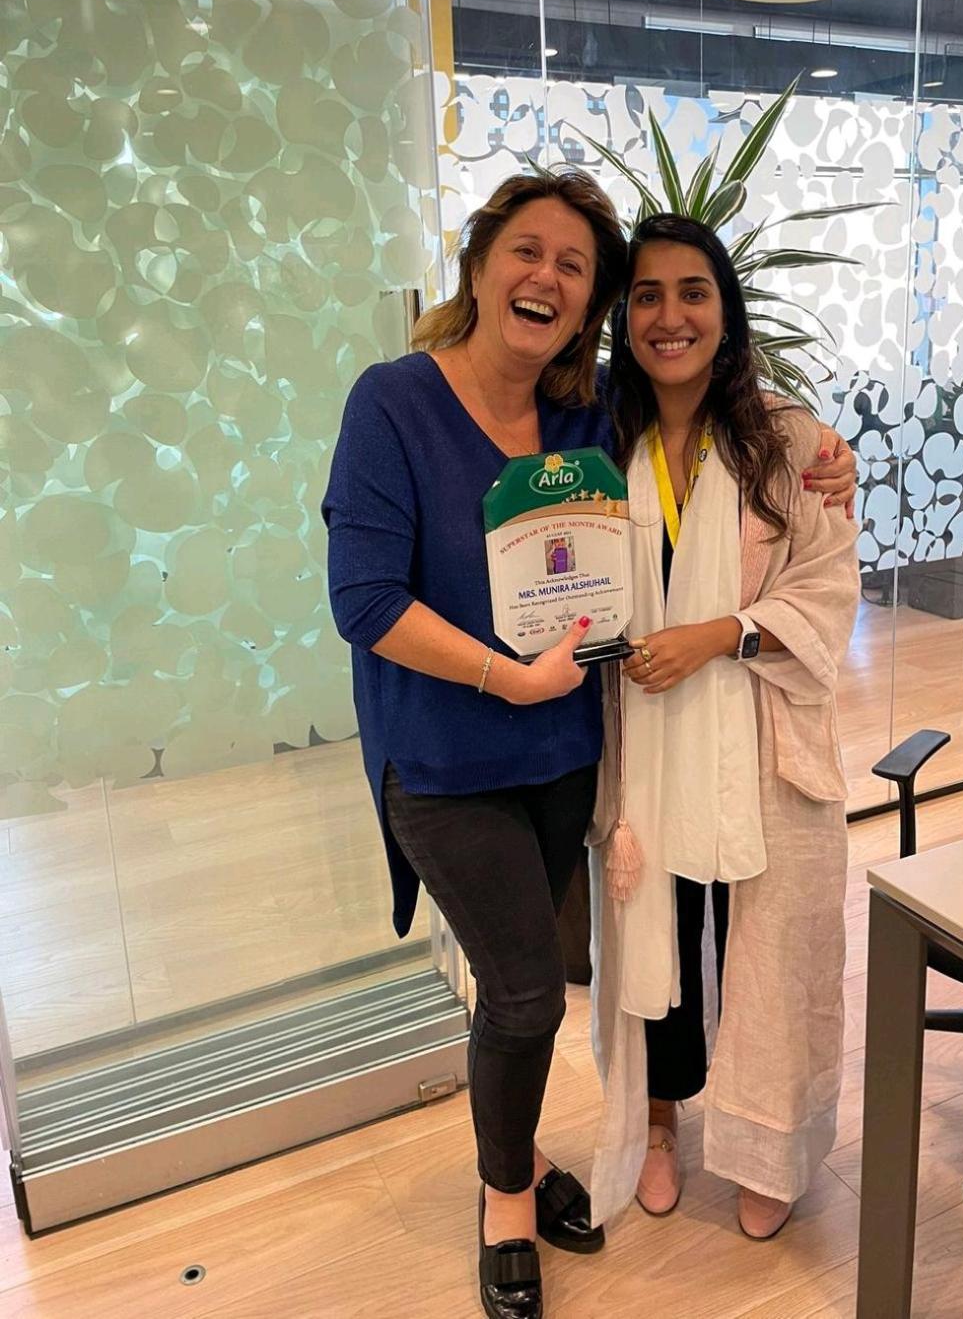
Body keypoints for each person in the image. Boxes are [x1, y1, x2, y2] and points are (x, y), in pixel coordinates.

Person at [323, 171, 856, 1319]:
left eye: (574, 266)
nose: (547, 277)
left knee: (630, 963)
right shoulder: (397, 402)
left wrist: (831, 449)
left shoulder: (586, 416)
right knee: (528, 992)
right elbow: (362, 597)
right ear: (479, 262)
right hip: (455, 758)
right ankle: (511, 1195)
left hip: (573, 754)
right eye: (528, 251)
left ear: (587, 307)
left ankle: (624, 1144)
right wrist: (504, 673)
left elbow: (719, 402)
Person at [588, 214, 861, 1247]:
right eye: (647, 295)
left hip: (757, 737)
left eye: (692, 292)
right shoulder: (595, 439)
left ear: (726, 311)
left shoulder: (787, 440)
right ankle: (659, 1124)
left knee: (766, 950)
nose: (670, 316)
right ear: (624, 317)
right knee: (652, 932)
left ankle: (767, 1143)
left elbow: (827, 585)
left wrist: (718, 634)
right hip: (643, 739)